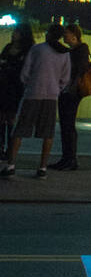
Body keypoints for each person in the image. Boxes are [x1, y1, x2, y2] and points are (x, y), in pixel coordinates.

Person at [1, 24, 70, 179]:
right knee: (47, 133)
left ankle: (11, 165)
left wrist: (29, 85)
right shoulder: (65, 53)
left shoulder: (37, 49)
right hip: (51, 96)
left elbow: (25, 73)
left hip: (33, 93)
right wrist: (56, 88)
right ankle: (42, 168)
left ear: (48, 34)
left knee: (20, 130)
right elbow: (65, 78)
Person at [50, 23, 91, 170]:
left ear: (74, 35)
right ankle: (67, 158)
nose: (64, 36)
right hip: (67, 91)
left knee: (68, 125)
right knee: (65, 124)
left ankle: (70, 159)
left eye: (66, 33)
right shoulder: (74, 50)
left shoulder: (81, 49)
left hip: (72, 92)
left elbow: (78, 69)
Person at [0, 23, 34, 166]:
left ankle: (10, 150)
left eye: (17, 32)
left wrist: (8, 65)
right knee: (1, 117)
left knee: (11, 119)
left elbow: (26, 69)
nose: (14, 34)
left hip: (15, 87)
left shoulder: (28, 50)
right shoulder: (8, 47)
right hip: (3, 85)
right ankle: (1, 148)